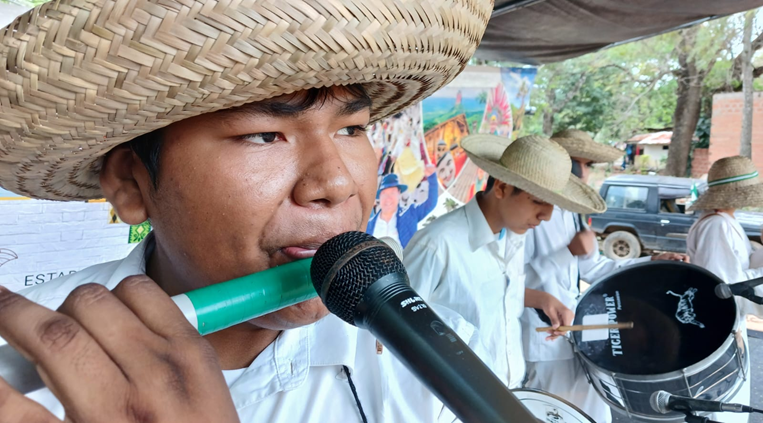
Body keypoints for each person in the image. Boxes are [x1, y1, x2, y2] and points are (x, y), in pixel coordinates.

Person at [0, 0, 493, 421]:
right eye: (263, 135)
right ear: (132, 184)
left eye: (352, 129)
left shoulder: (445, 366)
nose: (338, 184)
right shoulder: (15, 365)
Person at [404, 134, 605, 389]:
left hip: (507, 390)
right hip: (453, 396)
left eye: (553, 204)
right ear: (501, 188)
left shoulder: (513, 235)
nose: (546, 215)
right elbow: (399, 330)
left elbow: (495, 291)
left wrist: (543, 300)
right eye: (537, 201)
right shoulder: (436, 245)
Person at [521, 128, 688, 422]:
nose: (585, 173)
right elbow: (510, 280)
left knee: (592, 411)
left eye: (588, 166)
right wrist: (567, 252)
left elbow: (593, 268)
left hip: (578, 330)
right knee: (553, 413)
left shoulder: (571, 212)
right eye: (582, 164)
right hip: (545, 336)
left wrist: (652, 261)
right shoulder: (529, 213)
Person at [686, 156, 763, 423]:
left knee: (725, 400)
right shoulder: (717, 225)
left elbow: (736, 270)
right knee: (719, 404)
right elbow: (724, 287)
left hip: (725, 327)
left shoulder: (724, 221)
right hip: (720, 328)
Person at [367, 169, 437, 249]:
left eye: (392, 193)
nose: (388, 198)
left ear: (399, 194)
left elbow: (430, 203)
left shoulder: (410, 214)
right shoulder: (368, 225)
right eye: (384, 194)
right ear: (379, 197)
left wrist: (432, 178)